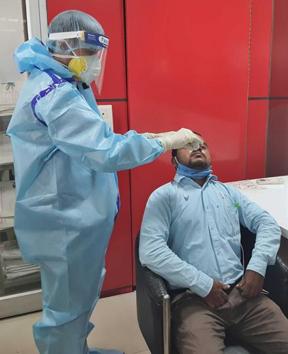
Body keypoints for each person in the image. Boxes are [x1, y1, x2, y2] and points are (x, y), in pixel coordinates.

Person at [6, 10, 203, 354]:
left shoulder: (65, 83)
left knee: (79, 296)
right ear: (69, 47)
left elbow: (94, 140)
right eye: (91, 53)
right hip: (62, 220)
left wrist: (154, 137)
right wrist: (166, 141)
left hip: (72, 215)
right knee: (66, 306)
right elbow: (105, 151)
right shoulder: (55, 94)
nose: (96, 63)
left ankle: (76, 349)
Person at [139, 134, 288, 354]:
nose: (197, 148)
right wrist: (203, 284)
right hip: (195, 301)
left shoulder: (229, 193)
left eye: (203, 145)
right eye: (188, 145)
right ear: (174, 160)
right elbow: (151, 251)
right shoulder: (164, 197)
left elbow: (266, 223)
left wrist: (257, 266)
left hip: (244, 295)